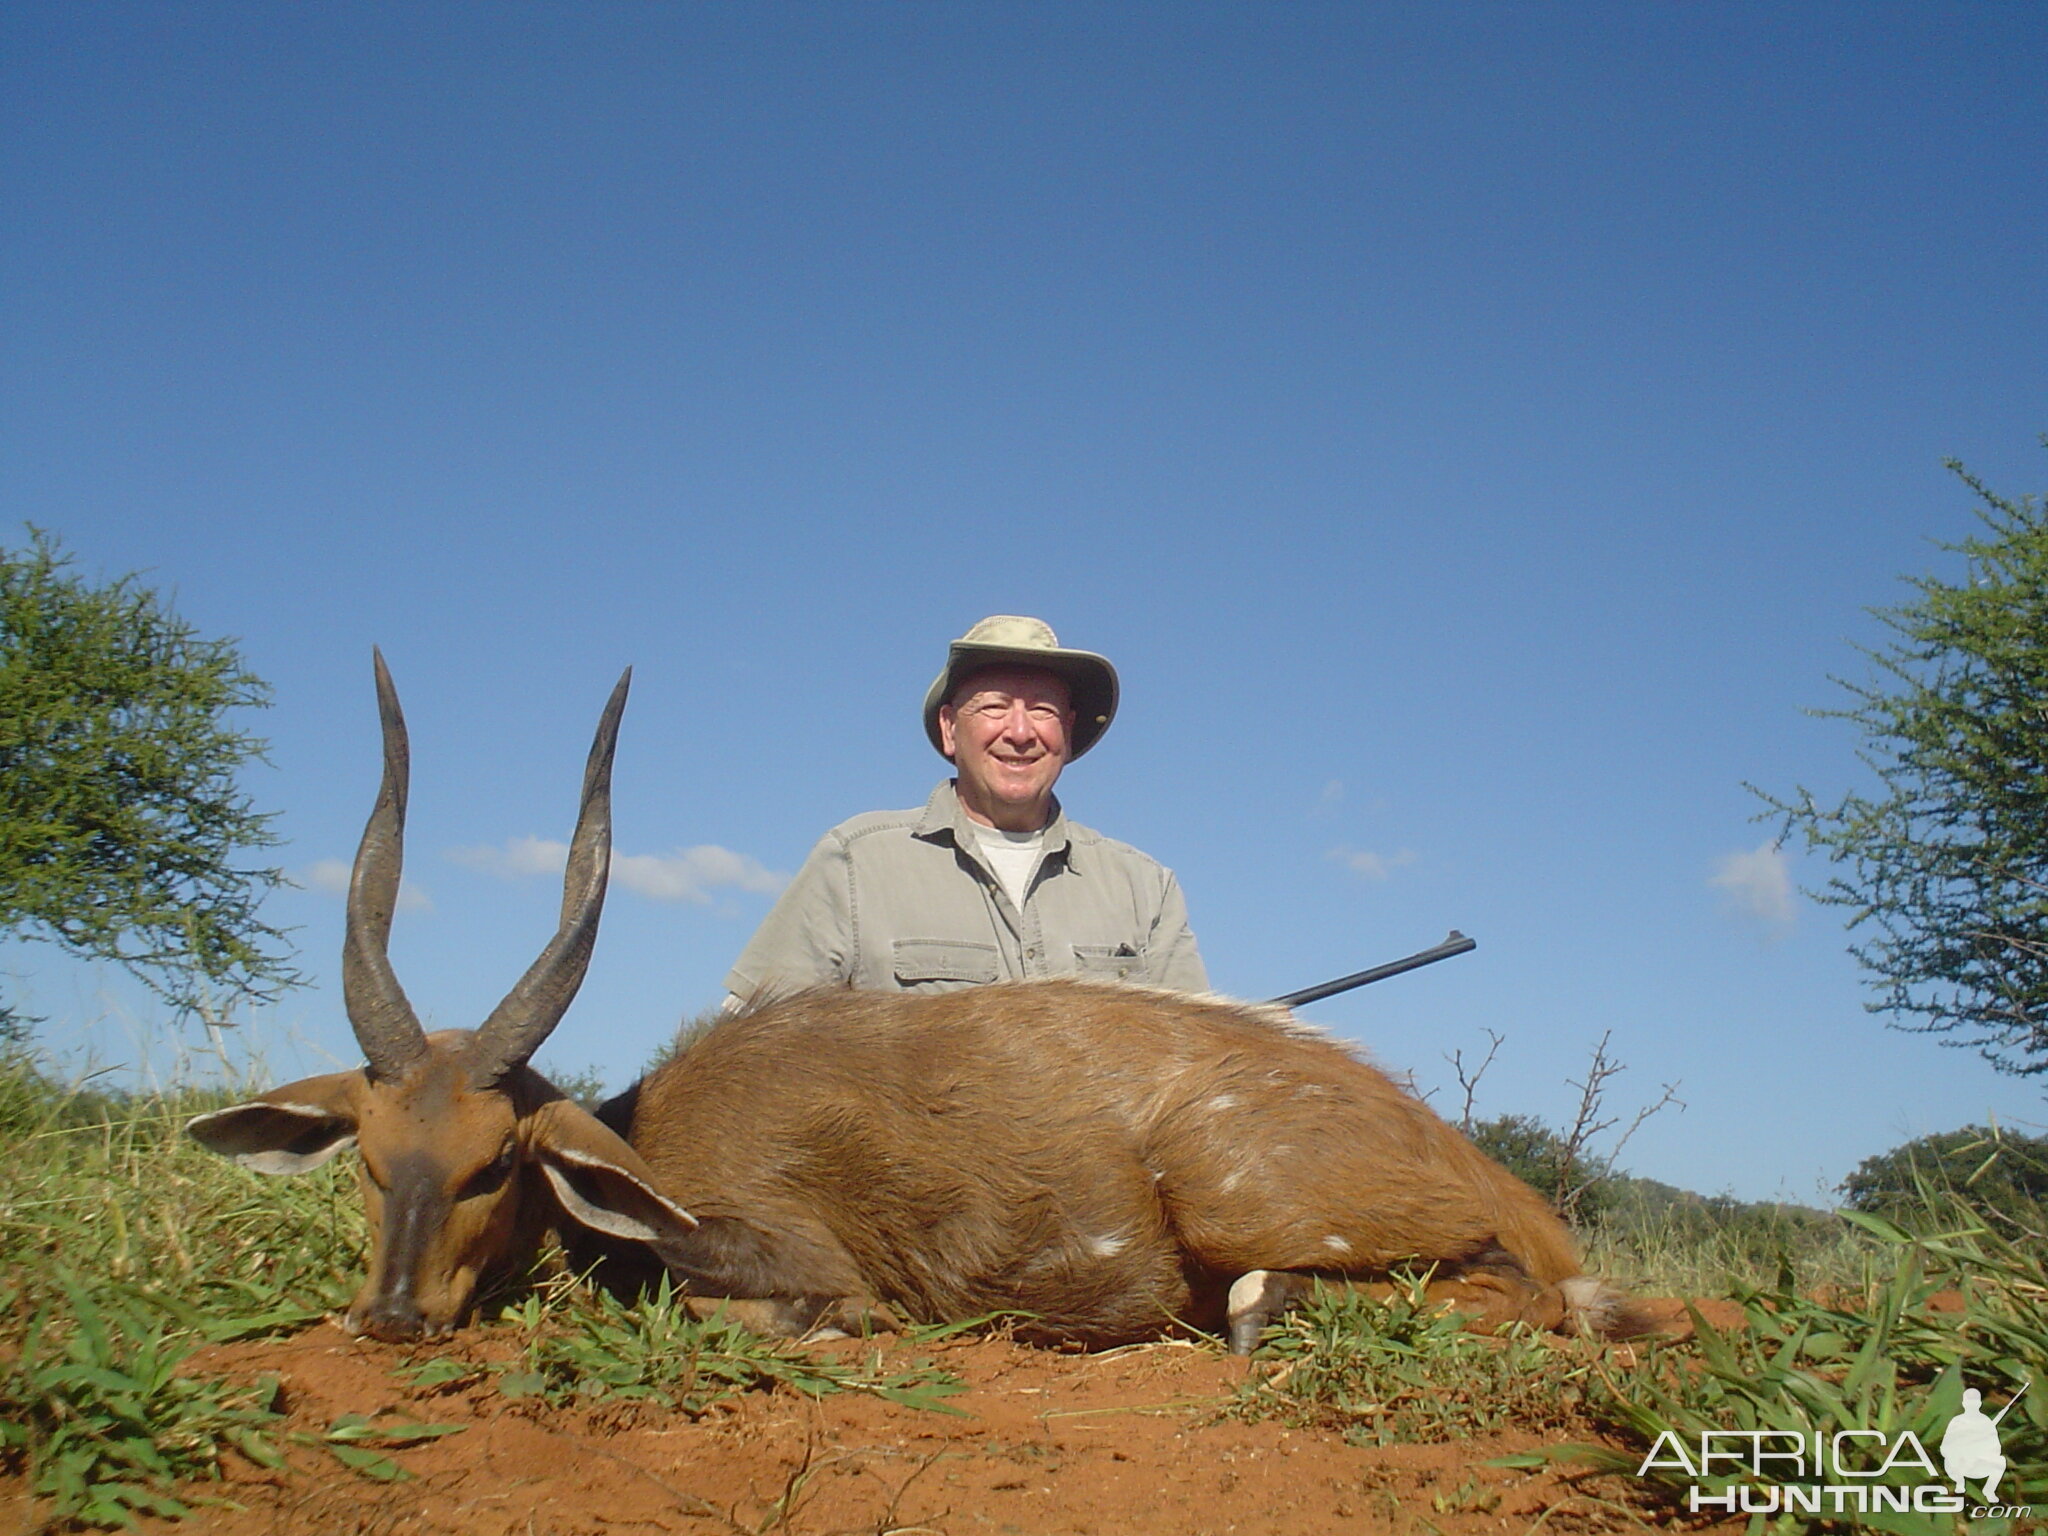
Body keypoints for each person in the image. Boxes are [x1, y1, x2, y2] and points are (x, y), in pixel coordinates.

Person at [724, 615, 1207, 1003]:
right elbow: (752, 1057)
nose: (1020, 732)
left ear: (1068, 730)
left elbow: (1200, 1070)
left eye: (1042, 709)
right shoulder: (855, 863)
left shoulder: (1145, 888)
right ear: (951, 727)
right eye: (995, 707)